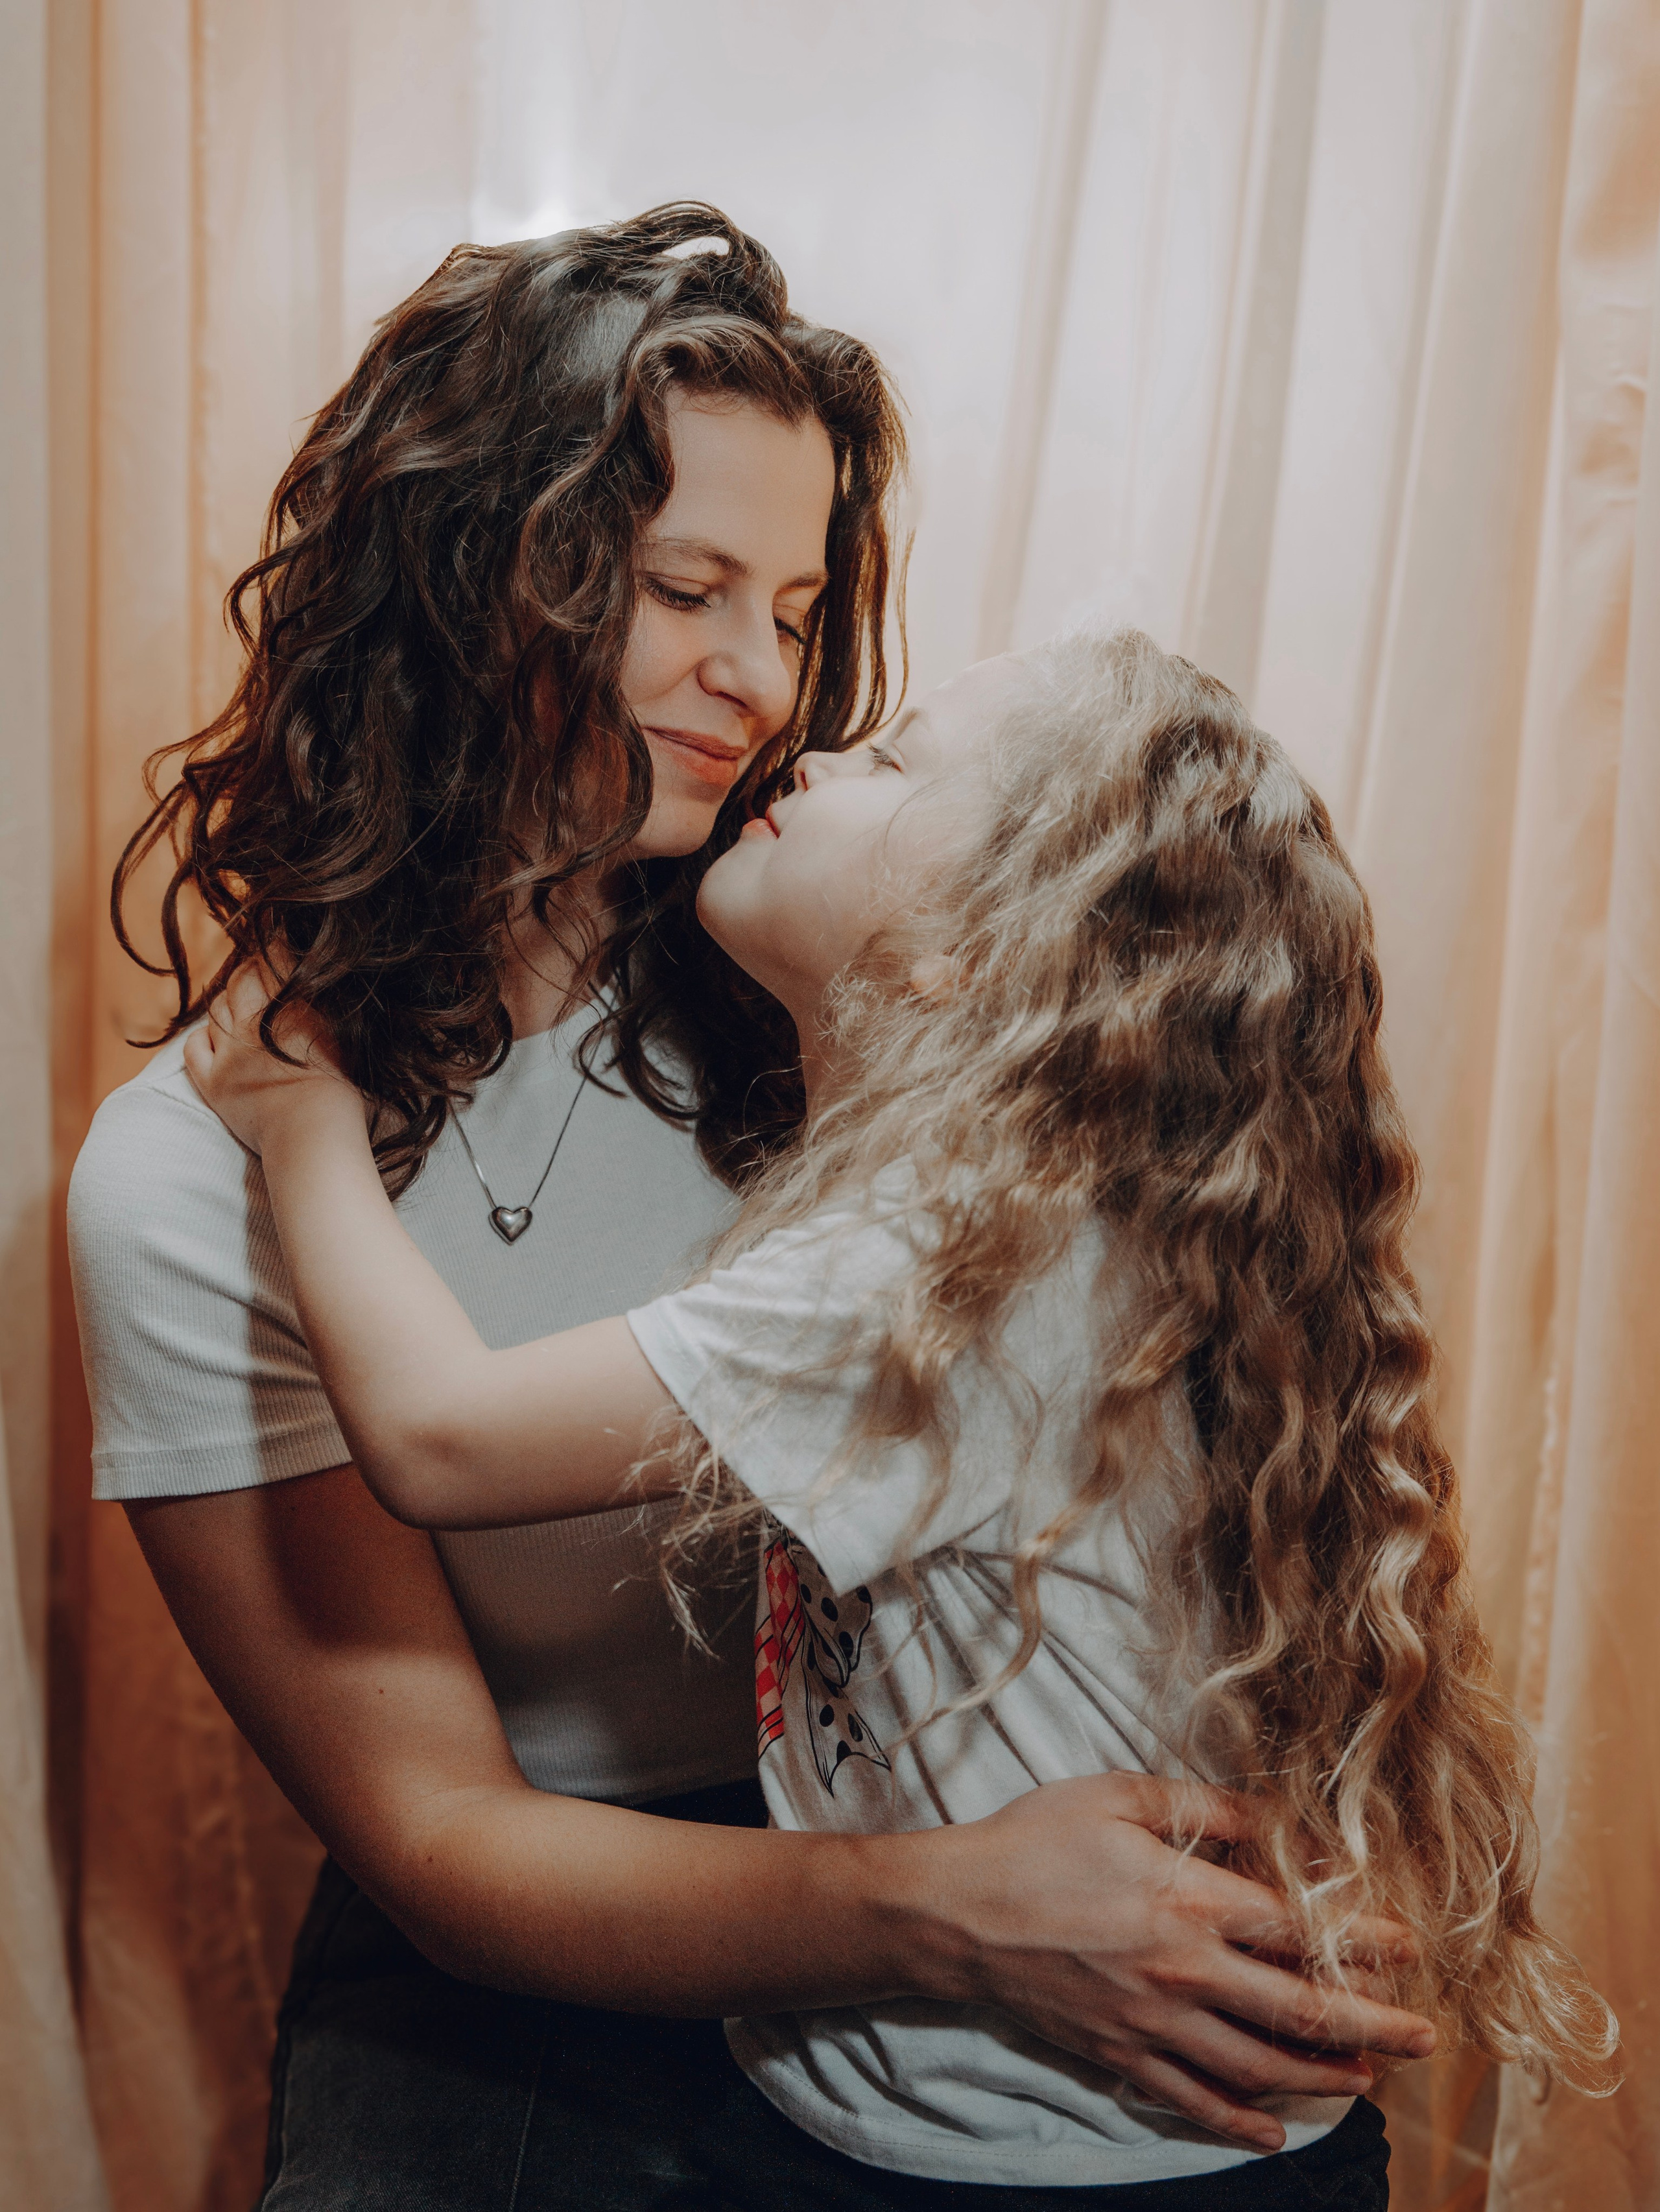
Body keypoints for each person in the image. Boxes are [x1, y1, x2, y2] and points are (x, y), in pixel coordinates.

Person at [71, 208, 1437, 2209]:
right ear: (469, 584)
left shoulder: (843, 988)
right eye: (681, 588)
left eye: (794, 610)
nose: (757, 682)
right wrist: (949, 1906)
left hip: (979, 1840)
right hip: (555, 1917)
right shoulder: (193, 1170)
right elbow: (447, 1840)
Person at [184, 626, 1617, 2208]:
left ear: (975, 953)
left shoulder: (952, 1257)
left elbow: (438, 1437)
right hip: (978, 2122)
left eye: (896, 766)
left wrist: (300, 1121)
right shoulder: (1015, 1216)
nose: (812, 746)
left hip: (1061, 2165)